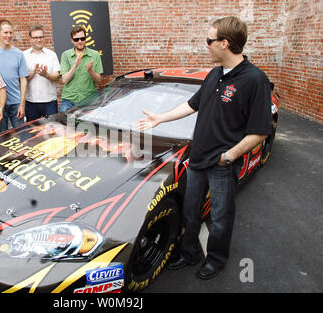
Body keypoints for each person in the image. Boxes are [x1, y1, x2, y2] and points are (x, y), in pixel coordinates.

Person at [135, 16, 272, 280]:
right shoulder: (214, 74)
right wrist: (160, 117)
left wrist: (229, 156)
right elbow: (192, 105)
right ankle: (190, 253)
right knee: (190, 211)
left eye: (209, 40)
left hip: (222, 164)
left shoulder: (255, 80)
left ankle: (217, 260)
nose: (205, 45)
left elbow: (259, 131)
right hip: (197, 158)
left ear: (224, 43)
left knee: (220, 218)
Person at [59, 25, 103, 112]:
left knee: (88, 126)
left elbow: (99, 81)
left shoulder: (95, 55)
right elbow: (64, 80)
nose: (80, 41)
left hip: (88, 100)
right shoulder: (66, 55)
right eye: (76, 39)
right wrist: (75, 65)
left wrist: (91, 71)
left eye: (82, 38)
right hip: (69, 100)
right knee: (66, 125)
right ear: (72, 40)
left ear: (86, 38)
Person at [23, 25, 60, 121]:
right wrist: (34, 72)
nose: (39, 40)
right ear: (30, 39)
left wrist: (46, 75)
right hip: (31, 102)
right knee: (32, 132)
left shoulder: (52, 55)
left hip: (49, 102)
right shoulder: (23, 56)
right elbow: (22, 79)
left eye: (41, 37)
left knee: (52, 131)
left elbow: (57, 76)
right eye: (35, 37)